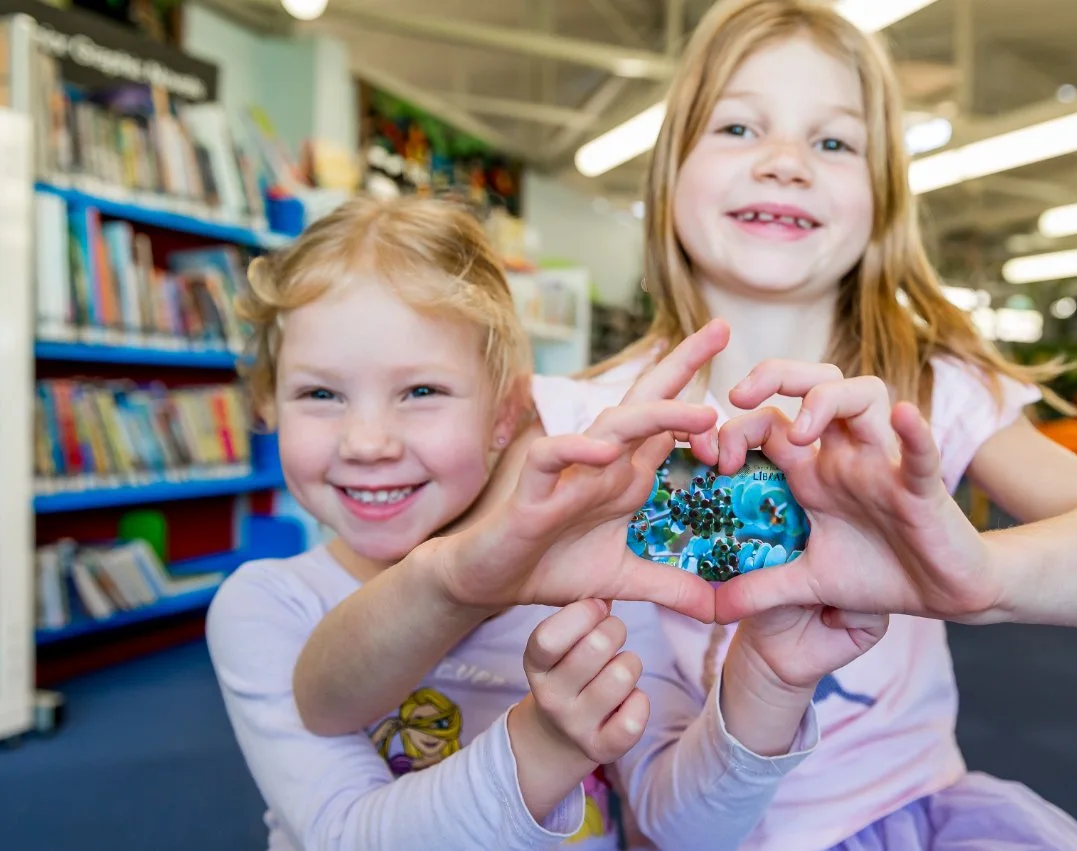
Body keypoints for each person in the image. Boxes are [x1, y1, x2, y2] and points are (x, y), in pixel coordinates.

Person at [292, 2, 1077, 848]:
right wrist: (466, 575)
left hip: (909, 815)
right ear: (671, 173)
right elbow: (336, 687)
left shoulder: (922, 388)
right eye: (738, 127)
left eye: (835, 142)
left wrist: (976, 575)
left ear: (883, 198)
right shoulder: (583, 420)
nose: (784, 159)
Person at [204, 196, 722, 850]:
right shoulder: (265, 605)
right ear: (267, 403)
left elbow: (674, 818)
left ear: (507, 415)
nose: (367, 441)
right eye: (320, 393)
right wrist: (547, 740)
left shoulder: (594, 580)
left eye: (420, 391)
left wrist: (773, 680)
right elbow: (346, 835)